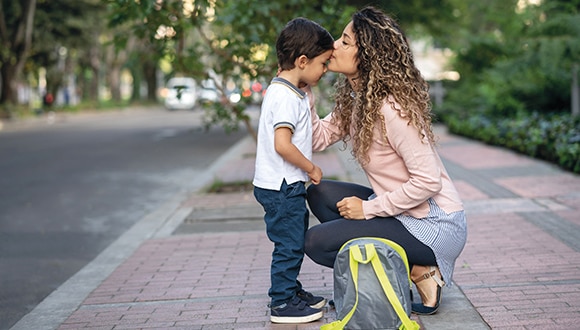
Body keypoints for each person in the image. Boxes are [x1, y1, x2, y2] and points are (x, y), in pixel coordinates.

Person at [304, 6, 467, 315]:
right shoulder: (357, 100)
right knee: (319, 193)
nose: (334, 45)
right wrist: (304, 89)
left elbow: (428, 181)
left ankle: (416, 268)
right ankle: (415, 270)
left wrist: (367, 209)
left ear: (367, 56)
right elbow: (317, 138)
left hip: (435, 226)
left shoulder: (392, 109)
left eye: (345, 41)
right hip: (403, 212)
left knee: (316, 242)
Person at [252, 17, 334, 324]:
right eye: (323, 64)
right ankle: (282, 302)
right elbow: (282, 145)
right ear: (302, 60)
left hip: (282, 184)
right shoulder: (285, 97)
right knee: (289, 244)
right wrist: (311, 166)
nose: (325, 70)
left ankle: (290, 289)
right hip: (282, 186)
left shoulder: (290, 90)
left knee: (292, 240)